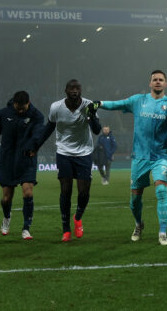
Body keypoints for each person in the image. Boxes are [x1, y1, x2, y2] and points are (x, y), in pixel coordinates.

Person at [88, 69, 167, 245]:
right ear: (150, 83)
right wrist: (99, 103)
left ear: (165, 84)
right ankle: (138, 224)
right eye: (155, 79)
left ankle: (162, 233)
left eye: (161, 79)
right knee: (135, 198)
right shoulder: (138, 100)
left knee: (161, 190)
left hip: (161, 156)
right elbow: (117, 104)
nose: (158, 82)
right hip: (140, 157)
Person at [36, 79, 101, 242]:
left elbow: (97, 130)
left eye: (77, 88)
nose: (74, 91)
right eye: (71, 88)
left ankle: (77, 217)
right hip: (64, 152)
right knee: (66, 190)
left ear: (81, 90)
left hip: (84, 152)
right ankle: (66, 229)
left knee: (84, 192)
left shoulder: (88, 105)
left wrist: (92, 115)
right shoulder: (56, 107)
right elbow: (49, 128)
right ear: (65, 91)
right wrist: (35, 146)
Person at [0, 91, 46, 240]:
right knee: (6, 198)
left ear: (29, 103)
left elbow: (39, 133)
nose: (20, 111)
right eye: (18, 108)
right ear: (14, 103)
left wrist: (32, 146)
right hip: (8, 159)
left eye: (23, 108)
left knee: (28, 192)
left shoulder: (36, 116)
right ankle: (7, 216)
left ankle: (26, 228)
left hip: (26, 158)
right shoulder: (3, 113)